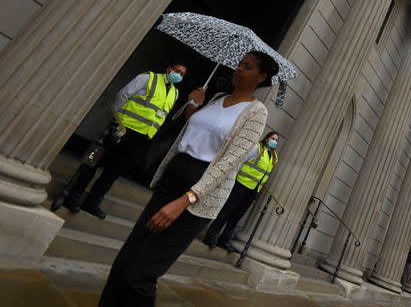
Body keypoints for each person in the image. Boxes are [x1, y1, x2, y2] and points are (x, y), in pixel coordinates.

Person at [98, 51, 278, 306]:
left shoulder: (256, 112)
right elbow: (194, 133)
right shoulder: (217, 98)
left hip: (198, 195)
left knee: (140, 275)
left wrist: (187, 199)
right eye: (239, 63)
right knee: (123, 263)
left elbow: (230, 161)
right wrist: (193, 108)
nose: (239, 68)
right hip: (172, 180)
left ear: (261, 77)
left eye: (247, 67)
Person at [64, 62, 188, 219]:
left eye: (182, 74)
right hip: (122, 129)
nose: (179, 75)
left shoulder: (174, 93)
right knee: (93, 161)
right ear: (169, 69)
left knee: (114, 171)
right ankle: (73, 195)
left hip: (142, 138)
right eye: (177, 71)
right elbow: (123, 94)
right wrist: (116, 121)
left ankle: (93, 202)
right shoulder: (148, 78)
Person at [202, 130, 280, 252]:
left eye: (276, 140)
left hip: (254, 190)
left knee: (236, 216)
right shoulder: (257, 148)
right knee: (227, 211)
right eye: (273, 138)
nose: (274, 141)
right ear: (266, 138)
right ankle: (210, 236)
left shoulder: (273, 157)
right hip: (241, 184)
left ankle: (224, 240)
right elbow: (242, 161)